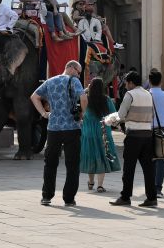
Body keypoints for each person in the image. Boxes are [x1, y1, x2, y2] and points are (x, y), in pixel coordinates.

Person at [31, 60, 87, 206]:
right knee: (72, 164)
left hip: (54, 128)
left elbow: (34, 96)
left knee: (50, 163)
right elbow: (83, 97)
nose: (79, 75)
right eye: (78, 72)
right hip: (72, 128)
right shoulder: (74, 81)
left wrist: (44, 113)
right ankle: (68, 198)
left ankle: (46, 196)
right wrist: (83, 115)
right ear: (70, 68)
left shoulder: (50, 81)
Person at [105, 70, 158, 208]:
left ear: (131, 83)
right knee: (148, 169)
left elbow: (121, 115)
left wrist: (108, 120)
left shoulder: (130, 94)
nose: (126, 86)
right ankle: (152, 198)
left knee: (129, 168)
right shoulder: (149, 94)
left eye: (126, 83)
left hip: (133, 135)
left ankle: (125, 197)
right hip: (147, 135)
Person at [80, 77, 120, 193]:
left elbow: (81, 112)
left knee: (91, 155)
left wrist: (86, 90)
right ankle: (100, 185)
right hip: (103, 132)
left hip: (88, 132)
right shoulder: (107, 100)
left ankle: (91, 181)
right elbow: (114, 116)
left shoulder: (86, 99)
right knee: (102, 156)